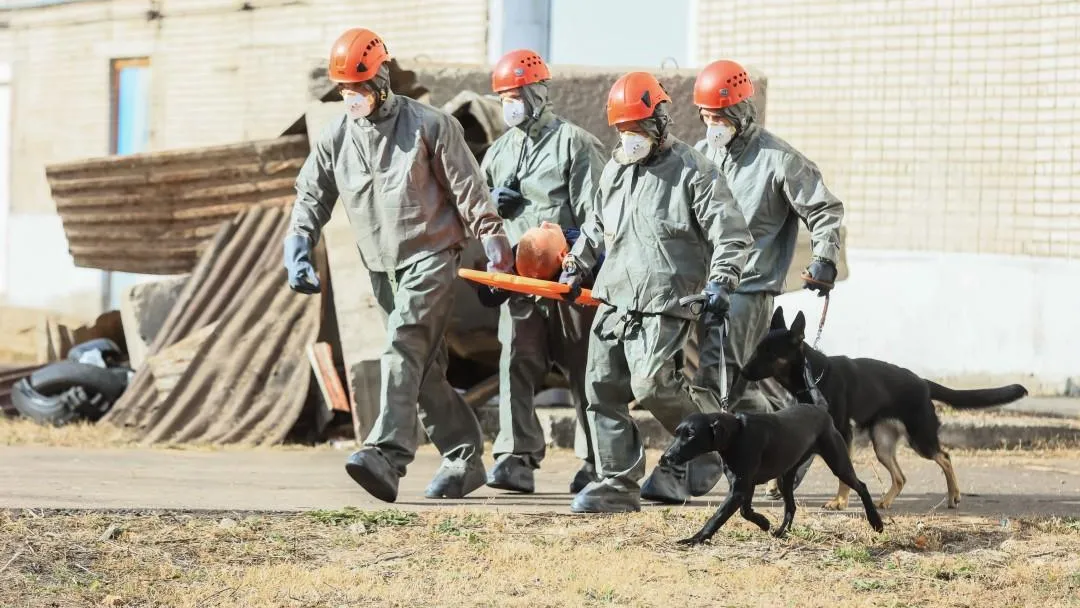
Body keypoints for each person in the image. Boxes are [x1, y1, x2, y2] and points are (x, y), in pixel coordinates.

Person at [284, 28, 514, 503]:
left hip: (431, 257)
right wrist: (299, 241)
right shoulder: (335, 139)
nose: (355, 97)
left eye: (362, 86)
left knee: (402, 346)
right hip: (381, 268)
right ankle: (465, 457)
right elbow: (312, 193)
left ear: (383, 76)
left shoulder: (430, 125)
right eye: (346, 89)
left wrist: (493, 237)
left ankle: (387, 454)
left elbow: (468, 188)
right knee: (423, 369)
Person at [559, 71, 753, 513]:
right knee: (600, 388)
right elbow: (595, 226)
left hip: (666, 299)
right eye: (623, 130)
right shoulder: (613, 170)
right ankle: (617, 482)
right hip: (615, 297)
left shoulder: (694, 171)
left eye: (638, 128)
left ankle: (710, 441)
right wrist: (576, 265)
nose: (630, 139)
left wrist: (722, 280)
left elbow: (732, 234)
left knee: (650, 384)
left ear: (661, 122)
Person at [691, 59, 845, 496]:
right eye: (705, 116)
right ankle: (798, 437)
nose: (712, 125)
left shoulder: (778, 159)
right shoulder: (701, 156)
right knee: (737, 383)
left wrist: (825, 260)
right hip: (706, 288)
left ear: (741, 111)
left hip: (750, 287)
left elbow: (824, 209)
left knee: (721, 380)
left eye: (719, 116)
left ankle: (723, 463)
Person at [478, 50, 609, 495]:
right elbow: (481, 217)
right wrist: (493, 210)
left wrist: (576, 255)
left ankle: (596, 460)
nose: (510, 103)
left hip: (570, 278)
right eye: (503, 96)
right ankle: (516, 457)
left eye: (516, 94)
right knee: (514, 361)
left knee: (584, 369)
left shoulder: (575, 143)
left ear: (537, 92)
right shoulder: (498, 152)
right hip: (520, 282)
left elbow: (599, 214)